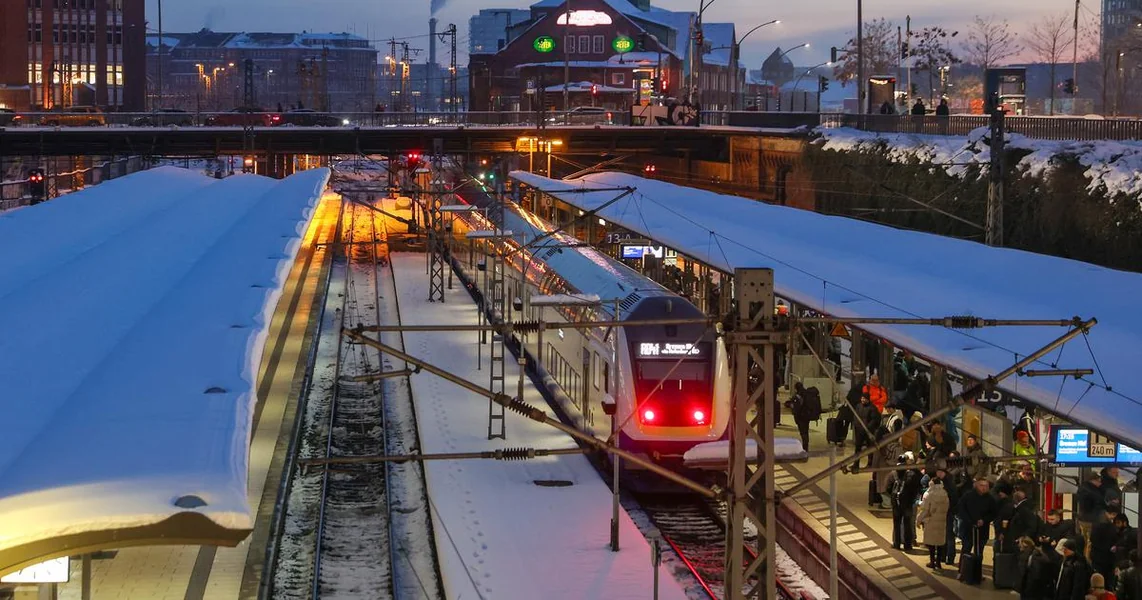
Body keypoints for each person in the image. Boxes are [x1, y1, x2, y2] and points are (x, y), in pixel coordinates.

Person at [958, 477, 998, 573]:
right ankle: (962, 571)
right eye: (981, 485)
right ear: (976, 485)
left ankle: (977, 573)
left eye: (986, 486)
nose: (984, 488)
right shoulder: (968, 496)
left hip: (982, 530)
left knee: (979, 552)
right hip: (969, 529)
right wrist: (971, 521)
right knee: (966, 550)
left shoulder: (990, 499)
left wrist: (984, 520)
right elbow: (961, 510)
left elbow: (993, 513)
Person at [888, 453, 922, 551]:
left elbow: (888, 487)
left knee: (897, 524)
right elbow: (916, 488)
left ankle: (896, 543)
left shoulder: (893, 473)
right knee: (908, 524)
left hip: (896, 503)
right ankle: (908, 545)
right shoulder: (912, 474)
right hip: (908, 503)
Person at [917, 476, 950, 569]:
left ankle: (932, 562)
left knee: (931, 543)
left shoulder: (928, 494)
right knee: (939, 543)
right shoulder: (944, 493)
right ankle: (938, 562)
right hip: (942, 521)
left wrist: (918, 520)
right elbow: (947, 506)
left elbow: (924, 510)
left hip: (930, 521)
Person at [1079, 473, 1109, 559]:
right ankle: (1088, 562)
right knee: (1090, 543)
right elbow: (1096, 504)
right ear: (1093, 480)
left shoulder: (1083, 488)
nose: (1100, 483)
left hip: (1084, 519)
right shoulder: (1091, 491)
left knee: (1085, 542)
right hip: (1091, 521)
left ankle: (1085, 559)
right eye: (1099, 481)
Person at [786, 381, 822, 452]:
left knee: (803, 433)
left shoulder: (798, 396)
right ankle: (806, 447)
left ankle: (805, 448)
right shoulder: (807, 393)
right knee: (806, 431)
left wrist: (791, 406)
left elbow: (797, 408)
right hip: (807, 416)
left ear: (796, 388)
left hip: (801, 417)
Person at [852, 394, 881, 469]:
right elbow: (856, 417)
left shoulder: (872, 408)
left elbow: (874, 419)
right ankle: (856, 464)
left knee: (869, 447)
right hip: (859, 431)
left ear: (868, 399)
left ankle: (870, 464)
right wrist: (857, 426)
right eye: (862, 398)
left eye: (864, 398)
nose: (862, 400)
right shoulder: (858, 406)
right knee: (858, 447)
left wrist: (868, 428)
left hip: (868, 431)